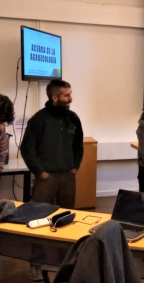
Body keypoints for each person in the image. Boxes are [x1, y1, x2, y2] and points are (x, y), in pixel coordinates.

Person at [21, 79, 83, 209]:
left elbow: (78, 146)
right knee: (39, 214)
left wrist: (75, 167)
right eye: (66, 95)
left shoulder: (73, 118)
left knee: (67, 213)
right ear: (55, 98)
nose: (71, 98)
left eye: (70, 94)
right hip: (46, 178)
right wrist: (41, 173)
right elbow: (27, 149)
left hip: (68, 176)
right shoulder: (38, 120)